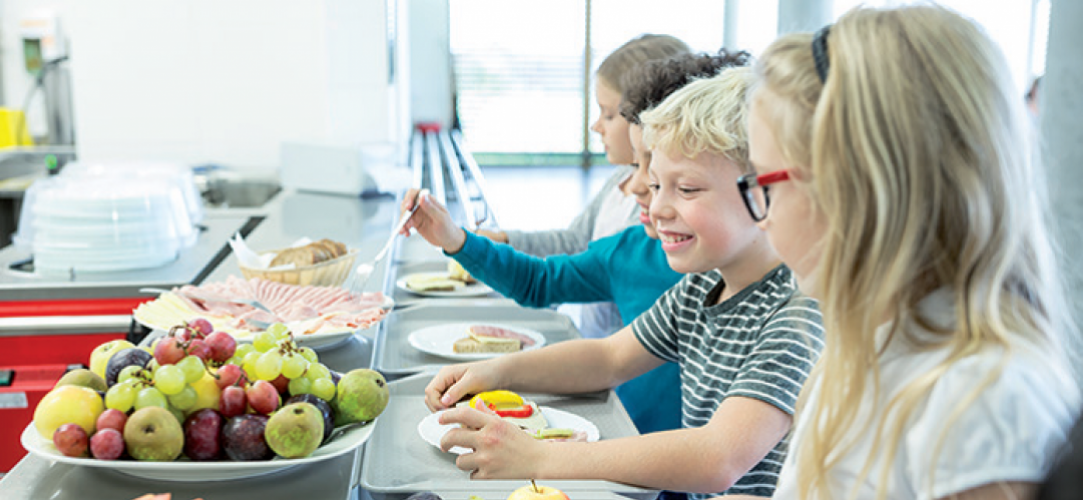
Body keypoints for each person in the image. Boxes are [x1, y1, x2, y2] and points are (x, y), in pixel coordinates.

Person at [409, 68, 824, 499]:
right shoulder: (702, 286)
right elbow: (609, 357)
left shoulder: (798, 311)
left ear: (762, 191)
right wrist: (494, 372)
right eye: (657, 185)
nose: (658, 207)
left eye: (686, 188)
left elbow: (717, 458)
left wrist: (541, 459)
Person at [722, 5, 1080, 500]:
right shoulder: (873, 343)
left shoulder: (984, 400)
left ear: (858, 188)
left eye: (765, 183)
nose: (762, 217)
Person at [400, 51, 748, 435]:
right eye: (640, 168)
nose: (636, 186)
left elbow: (716, 455)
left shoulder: (765, 302)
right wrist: (456, 240)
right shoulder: (649, 263)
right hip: (636, 459)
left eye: (683, 186)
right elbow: (603, 351)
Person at [476, 34, 691, 339]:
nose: (596, 126)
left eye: (608, 114)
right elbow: (575, 242)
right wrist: (501, 240)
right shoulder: (620, 182)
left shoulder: (652, 216)